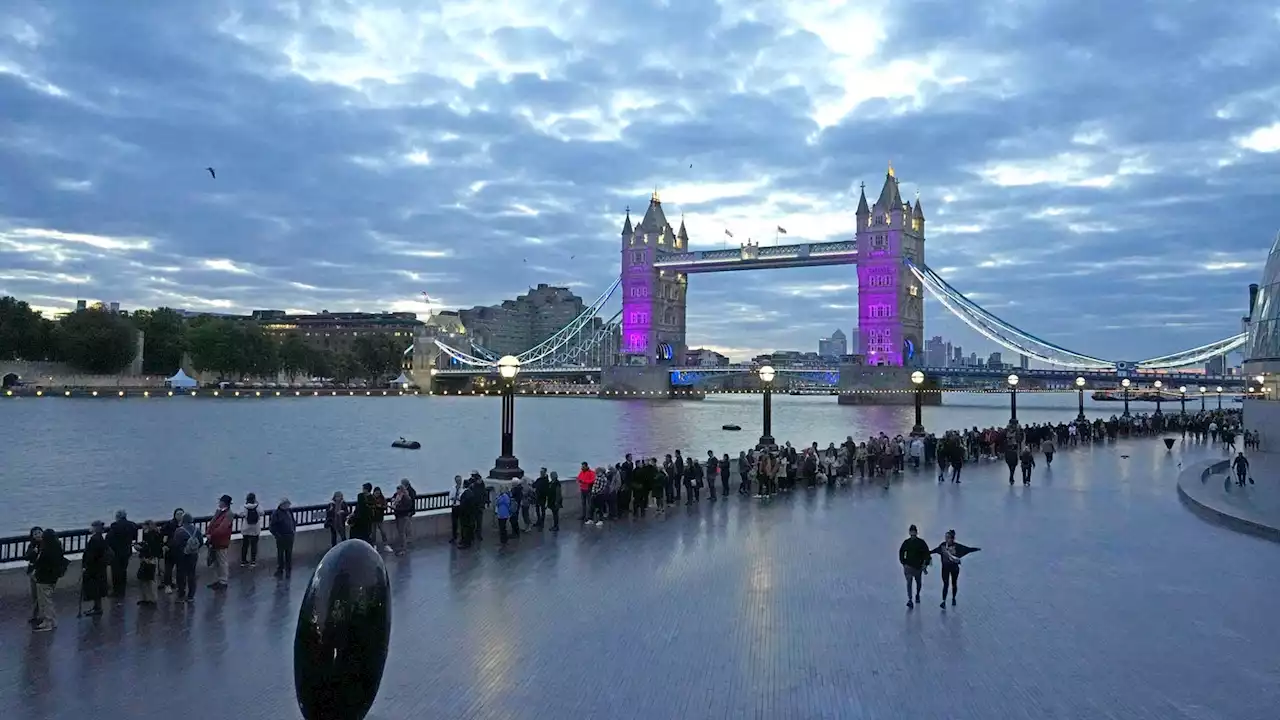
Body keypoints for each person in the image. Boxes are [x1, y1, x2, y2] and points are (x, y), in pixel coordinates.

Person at [930, 530, 981, 609]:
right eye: (945, 537)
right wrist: (927, 552)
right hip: (945, 569)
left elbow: (967, 549)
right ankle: (943, 601)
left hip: (954, 569)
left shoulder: (958, 547)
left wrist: (976, 549)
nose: (946, 539)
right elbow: (935, 550)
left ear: (952, 539)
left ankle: (953, 598)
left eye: (948, 537)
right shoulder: (943, 546)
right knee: (945, 584)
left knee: (954, 583)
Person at [31, 528, 66, 632]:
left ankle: (48, 622)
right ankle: (52, 621)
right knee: (48, 599)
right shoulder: (57, 547)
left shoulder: (46, 550)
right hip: (53, 577)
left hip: (44, 578)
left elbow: (39, 563)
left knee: (45, 601)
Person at [106, 510, 137, 600]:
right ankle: (122, 590)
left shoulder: (115, 526)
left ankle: (117, 591)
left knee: (116, 572)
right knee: (123, 571)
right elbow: (134, 537)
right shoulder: (132, 525)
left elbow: (109, 538)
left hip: (116, 553)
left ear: (118, 517)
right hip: (127, 551)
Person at [81, 520, 111, 616]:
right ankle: (97, 607)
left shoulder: (94, 539)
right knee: (98, 587)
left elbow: (91, 555)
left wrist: (86, 566)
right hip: (99, 567)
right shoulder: (101, 538)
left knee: (95, 588)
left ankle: (97, 608)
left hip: (94, 568)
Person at [898, 524, 931, 609]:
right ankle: (910, 599)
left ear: (916, 532)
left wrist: (925, 564)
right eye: (911, 531)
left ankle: (917, 594)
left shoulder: (921, 542)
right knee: (909, 583)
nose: (913, 533)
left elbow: (926, 553)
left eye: (914, 531)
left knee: (918, 583)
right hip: (908, 567)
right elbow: (901, 552)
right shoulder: (906, 542)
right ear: (909, 532)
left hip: (918, 568)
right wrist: (903, 563)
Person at [206, 495, 234, 589]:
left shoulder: (229, 514)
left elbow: (222, 528)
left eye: (220, 501)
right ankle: (219, 580)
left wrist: (211, 534)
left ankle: (223, 581)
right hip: (214, 541)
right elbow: (212, 524)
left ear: (224, 503)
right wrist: (208, 532)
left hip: (222, 542)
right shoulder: (219, 512)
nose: (219, 503)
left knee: (222, 561)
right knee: (216, 562)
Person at [269, 498, 296, 576]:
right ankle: (280, 568)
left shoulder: (289, 511)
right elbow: (272, 527)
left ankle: (288, 567)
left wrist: (293, 531)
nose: (288, 506)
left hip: (290, 536)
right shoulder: (276, 513)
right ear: (282, 505)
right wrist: (278, 536)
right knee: (280, 553)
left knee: (289, 552)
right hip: (281, 537)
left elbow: (293, 522)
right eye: (287, 504)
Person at [23, 527, 43, 626]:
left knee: (41, 594)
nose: (37, 535)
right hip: (32, 572)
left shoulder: (45, 544)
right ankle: (35, 615)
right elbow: (26, 557)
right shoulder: (31, 545)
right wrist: (33, 552)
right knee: (34, 594)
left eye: (39, 533)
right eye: (35, 534)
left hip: (41, 572)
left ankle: (40, 615)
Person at [240, 493, 262, 567]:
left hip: (246, 528)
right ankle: (253, 561)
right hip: (255, 529)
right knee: (254, 545)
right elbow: (262, 513)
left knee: (245, 545)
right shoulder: (257, 507)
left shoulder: (244, 507)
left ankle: (243, 561)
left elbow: (241, 514)